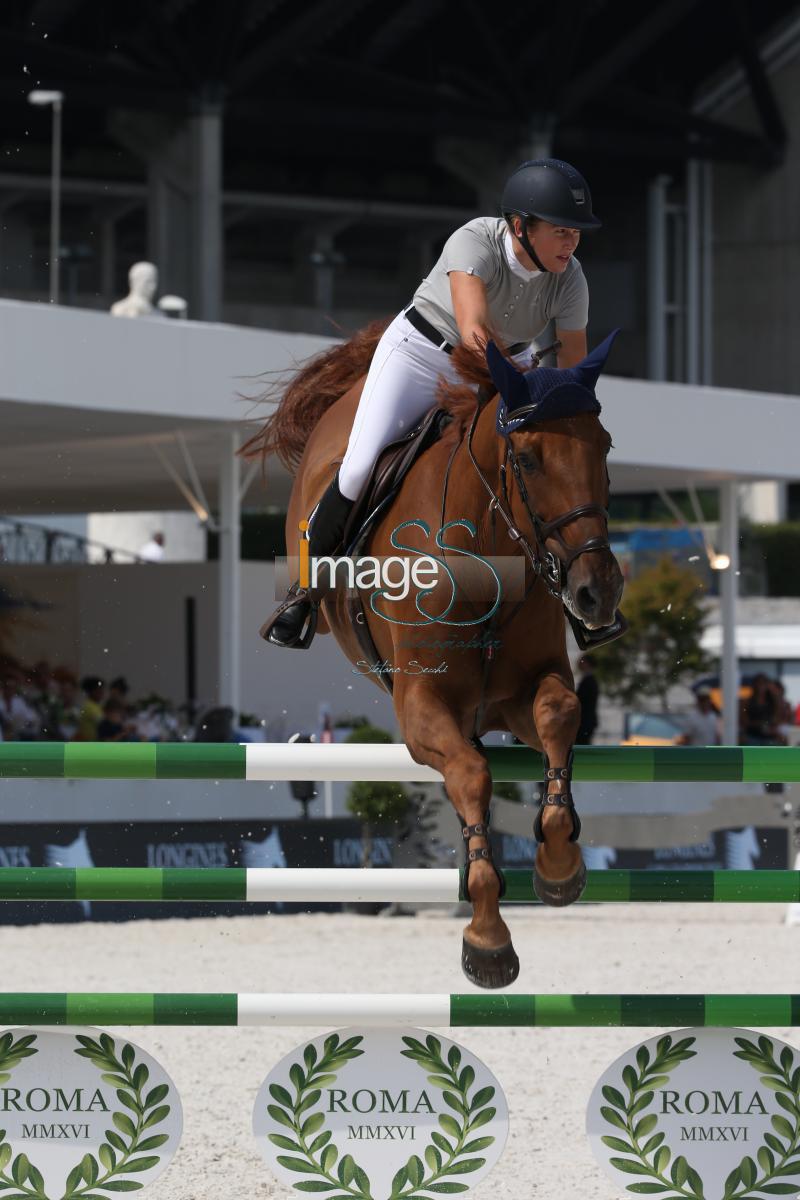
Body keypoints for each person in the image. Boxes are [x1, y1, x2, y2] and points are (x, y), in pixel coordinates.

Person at [267, 157, 602, 649]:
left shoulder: (571, 279)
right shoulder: (474, 240)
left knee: (537, 474)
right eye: (561, 230)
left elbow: (574, 365)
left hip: (508, 364)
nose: (572, 242)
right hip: (423, 354)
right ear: (519, 226)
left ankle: (576, 607)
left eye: (577, 232)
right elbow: (472, 333)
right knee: (358, 467)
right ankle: (302, 594)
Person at [575, 655, 599, 745]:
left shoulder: (589, 681)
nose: (580, 664)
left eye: (582, 662)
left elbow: (581, 699)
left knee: (582, 746)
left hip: (585, 721)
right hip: (586, 721)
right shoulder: (588, 680)